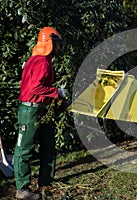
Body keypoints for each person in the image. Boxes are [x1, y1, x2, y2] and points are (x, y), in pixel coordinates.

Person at [13, 27, 68, 200]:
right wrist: (57, 93)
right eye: (58, 44)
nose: (60, 47)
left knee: (48, 145)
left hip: (41, 109)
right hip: (30, 110)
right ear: (51, 43)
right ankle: (22, 189)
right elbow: (34, 88)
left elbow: (40, 89)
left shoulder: (40, 60)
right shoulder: (42, 62)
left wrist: (62, 101)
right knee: (24, 150)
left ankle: (45, 183)